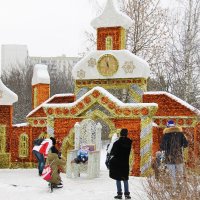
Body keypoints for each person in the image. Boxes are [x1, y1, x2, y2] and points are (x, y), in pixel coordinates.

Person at [160, 120, 188, 190]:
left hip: (169, 158)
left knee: (172, 175)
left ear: (167, 126)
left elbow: (162, 147)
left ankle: (174, 190)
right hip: (179, 157)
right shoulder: (180, 134)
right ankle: (181, 189)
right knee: (180, 174)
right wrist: (179, 145)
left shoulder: (166, 135)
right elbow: (185, 144)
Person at [109, 129, 132, 199]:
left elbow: (112, 152)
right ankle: (127, 194)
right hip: (125, 162)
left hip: (117, 163)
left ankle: (119, 194)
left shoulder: (117, 143)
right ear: (127, 134)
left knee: (118, 178)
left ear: (120, 134)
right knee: (125, 178)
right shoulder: (129, 142)